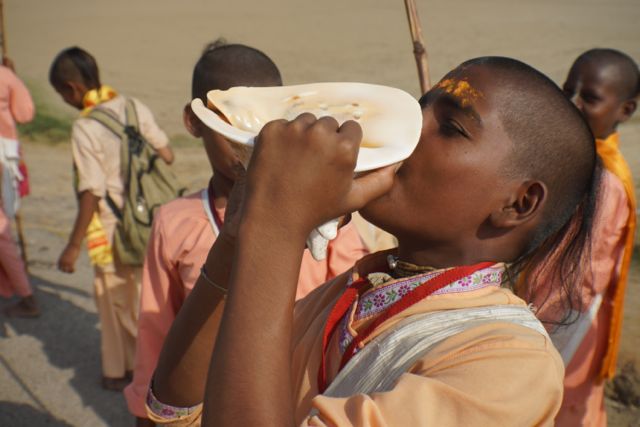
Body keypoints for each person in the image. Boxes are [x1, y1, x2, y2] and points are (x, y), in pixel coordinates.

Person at [148, 56, 600, 426]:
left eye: (451, 127)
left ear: (518, 204)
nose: (406, 129)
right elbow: (179, 407)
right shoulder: (355, 294)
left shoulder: (510, 364)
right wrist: (240, 234)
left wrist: (275, 232)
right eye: (418, 107)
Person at [124, 40, 369, 426]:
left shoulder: (324, 216)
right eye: (230, 126)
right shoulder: (174, 221)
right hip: (198, 404)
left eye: (264, 124)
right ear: (194, 121)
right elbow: (157, 325)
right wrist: (147, 407)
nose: (249, 141)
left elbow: (355, 305)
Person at [49, 47, 175, 390]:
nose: (65, 100)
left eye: (62, 94)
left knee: (114, 300)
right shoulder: (134, 106)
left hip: (111, 228)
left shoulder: (85, 128)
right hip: (148, 219)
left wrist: (73, 245)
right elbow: (167, 154)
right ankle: (119, 368)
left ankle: (135, 370)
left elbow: (91, 191)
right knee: (139, 297)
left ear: (73, 89)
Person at [541, 48, 638, 426]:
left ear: (625, 110)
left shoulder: (605, 180)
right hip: (551, 303)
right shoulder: (577, 157)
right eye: (568, 91)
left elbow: (586, 274)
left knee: (562, 402)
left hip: (567, 318)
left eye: (590, 98)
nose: (572, 103)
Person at [0, 56, 38, 318]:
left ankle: (25, 294)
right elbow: (25, 113)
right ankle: (25, 294)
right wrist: (13, 77)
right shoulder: (5, 75)